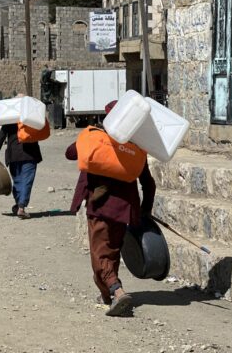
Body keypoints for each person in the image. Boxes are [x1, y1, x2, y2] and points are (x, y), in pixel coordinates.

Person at [65, 100, 156, 316]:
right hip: (123, 210)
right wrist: (145, 210)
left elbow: (69, 153)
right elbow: (148, 184)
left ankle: (117, 291)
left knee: (99, 255)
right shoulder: (134, 149)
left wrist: (86, 137)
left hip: (100, 207)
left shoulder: (95, 140)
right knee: (112, 252)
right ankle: (108, 295)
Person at [0, 98, 42, 219]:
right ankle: (21, 207)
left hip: (13, 155)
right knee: (26, 181)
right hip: (29, 155)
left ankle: (19, 204)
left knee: (18, 181)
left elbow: (1, 137)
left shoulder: (8, 120)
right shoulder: (31, 117)